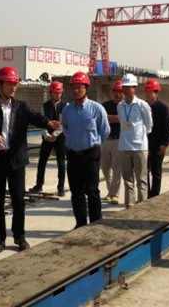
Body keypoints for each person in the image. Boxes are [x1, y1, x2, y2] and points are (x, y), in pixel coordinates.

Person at [0, 66, 60, 253]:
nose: (13, 88)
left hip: (16, 160)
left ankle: (19, 236)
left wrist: (48, 123)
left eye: (15, 84)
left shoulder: (21, 106)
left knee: (18, 200)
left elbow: (35, 117)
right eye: (9, 84)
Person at [62, 71, 110, 228]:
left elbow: (105, 130)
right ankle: (80, 224)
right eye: (73, 88)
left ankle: (96, 223)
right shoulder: (67, 110)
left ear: (86, 88)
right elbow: (66, 129)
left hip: (91, 154)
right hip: (73, 155)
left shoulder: (96, 109)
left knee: (92, 190)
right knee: (76, 192)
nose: (76, 90)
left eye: (79, 87)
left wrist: (94, 143)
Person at [117, 73, 153, 208]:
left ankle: (142, 208)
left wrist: (139, 136)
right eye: (124, 87)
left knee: (141, 180)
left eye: (129, 87)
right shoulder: (120, 106)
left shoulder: (142, 105)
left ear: (135, 88)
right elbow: (122, 123)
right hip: (124, 147)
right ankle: (130, 206)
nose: (126, 89)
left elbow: (149, 125)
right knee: (127, 180)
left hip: (139, 147)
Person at [29, 80, 67, 196]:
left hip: (60, 137)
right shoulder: (45, 106)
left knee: (61, 162)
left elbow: (64, 123)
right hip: (47, 137)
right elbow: (42, 121)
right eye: (56, 92)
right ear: (51, 93)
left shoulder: (65, 106)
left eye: (60, 92)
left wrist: (55, 135)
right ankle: (39, 184)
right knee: (42, 160)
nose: (58, 95)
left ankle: (61, 187)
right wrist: (47, 135)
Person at [144, 79, 169, 198]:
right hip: (144, 144)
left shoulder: (163, 108)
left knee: (156, 171)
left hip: (158, 145)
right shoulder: (142, 107)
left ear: (156, 93)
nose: (147, 94)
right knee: (144, 171)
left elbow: (167, 128)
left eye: (150, 92)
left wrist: (165, 144)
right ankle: (145, 194)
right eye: (146, 92)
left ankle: (154, 195)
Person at [100, 80, 123, 204]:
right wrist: (114, 118)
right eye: (116, 92)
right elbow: (101, 119)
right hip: (105, 140)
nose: (118, 94)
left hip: (118, 140)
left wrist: (110, 118)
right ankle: (110, 191)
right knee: (105, 169)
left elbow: (121, 119)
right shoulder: (105, 105)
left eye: (120, 92)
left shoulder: (125, 106)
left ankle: (115, 194)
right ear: (112, 92)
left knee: (116, 169)